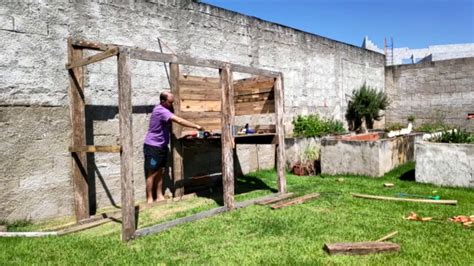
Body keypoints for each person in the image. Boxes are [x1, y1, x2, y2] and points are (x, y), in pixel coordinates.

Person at [144, 91, 203, 203]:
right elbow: (179, 120)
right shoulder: (160, 110)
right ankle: (149, 199)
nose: (172, 105)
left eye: (173, 102)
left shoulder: (165, 109)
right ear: (163, 101)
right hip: (153, 146)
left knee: (161, 171)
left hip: (162, 146)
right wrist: (196, 126)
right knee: (152, 173)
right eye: (170, 102)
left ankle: (160, 195)